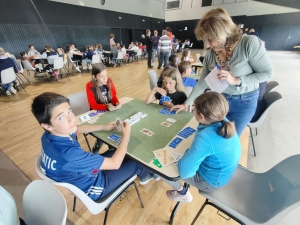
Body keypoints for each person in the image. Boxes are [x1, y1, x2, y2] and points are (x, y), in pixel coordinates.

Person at [31, 92, 160, 201]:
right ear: (46, 125)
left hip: (84, 173)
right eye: (61, 117)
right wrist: (127, 134)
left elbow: (77, 129)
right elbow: (114, 164)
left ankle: (142, 172)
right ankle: (145, 176)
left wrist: (103, 127)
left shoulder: (49, 135)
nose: (71, 119)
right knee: (137, 162)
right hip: (95, 187)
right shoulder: (69, 155)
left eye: (69, 112)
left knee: (123, 153)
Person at [171, 8, 274, 136]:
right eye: (205, 40)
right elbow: (202, 82)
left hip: (244, 102)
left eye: (210, 40)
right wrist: (187, 103)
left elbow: (267, 73)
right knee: (211, 136)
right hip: (219, 101)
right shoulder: (211, 53)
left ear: (222, 33)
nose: (207, 46)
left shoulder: (249, 43)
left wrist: (236, 80)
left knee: (229, 140)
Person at [162, 92, 241, 202]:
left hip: (210, 182)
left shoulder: (205, 138)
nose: (192, 110)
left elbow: (185, 172)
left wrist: (187, 153)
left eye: (194, 109)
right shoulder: (223, 121)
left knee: (162, 168)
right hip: (223, 173)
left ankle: (182, 193)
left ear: (201, 116)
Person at [86, 63, 121, 153]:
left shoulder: (109, 81)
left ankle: (110, 147)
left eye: (106, 75)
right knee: (107, 128)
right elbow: (92, 105)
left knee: (116, 125)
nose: (105, 78)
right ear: (94, 77)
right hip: (97, 113)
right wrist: (106, 107)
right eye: (101, 76)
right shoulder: (90, 86)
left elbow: (113, 97)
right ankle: (96, 149)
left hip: (108, 110)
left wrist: (117, 103)